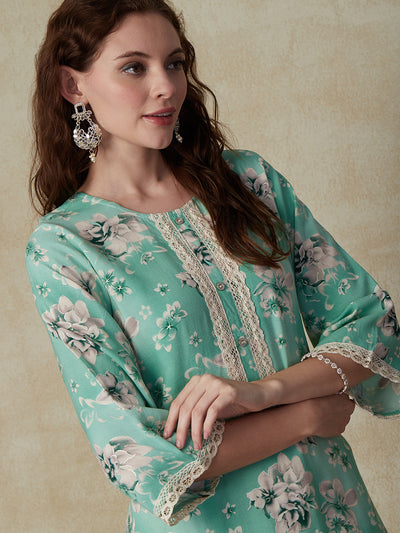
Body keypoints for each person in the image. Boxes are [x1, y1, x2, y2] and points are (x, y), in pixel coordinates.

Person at [26, 0, 400, 531]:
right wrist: (305, 414)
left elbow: (371, 324)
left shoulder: (250, 184)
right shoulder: (67, 246)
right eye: (134, 67)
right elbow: (133, 454)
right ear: (73, 85)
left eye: (174, 63)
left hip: (333, 507)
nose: (166, 86)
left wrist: (266, 394)